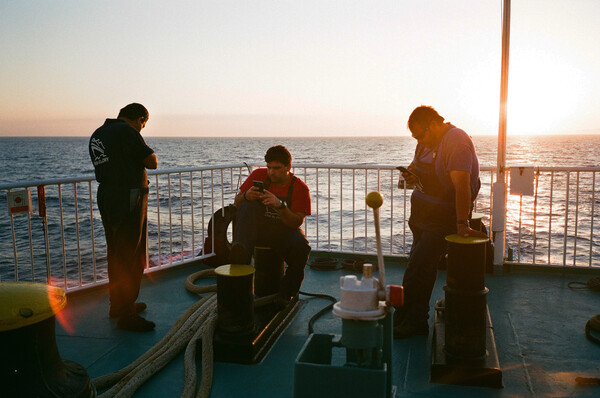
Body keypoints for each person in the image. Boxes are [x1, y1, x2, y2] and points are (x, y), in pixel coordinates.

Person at [395, 105, 487, 339]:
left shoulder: (456, 141)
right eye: (415, 137)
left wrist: (461, 223)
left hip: (443, 216)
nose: (419, 141)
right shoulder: (425, 143)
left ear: (434, 124)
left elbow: (462, 186)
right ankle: (405, 315)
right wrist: (409, 175)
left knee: (419, 266)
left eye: (420, 135)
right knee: (417, 264)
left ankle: (415, 321)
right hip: (421, 214)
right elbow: (417, 169)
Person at [89, 103, 158, 332]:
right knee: (131, 252)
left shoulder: (99, 133)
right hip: (128, 197)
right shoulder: (126, 131)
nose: (142, 129)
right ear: (140, 119)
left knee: (116, 251)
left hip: (107, 194)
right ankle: (127, 315)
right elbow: (152, 162)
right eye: (143, 125)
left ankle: (117, 305)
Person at [230, 145, 312, 308]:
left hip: (283, 231)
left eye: (276, 168)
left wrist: (280, 205)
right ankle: (240, 254)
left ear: (288, 167)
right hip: (257, 230)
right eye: (269, 167)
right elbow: (236, 203)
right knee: (246, 206)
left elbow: (296, 222)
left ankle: (286, 294)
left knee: (302, 248)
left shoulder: (300, 188)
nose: (271, 172)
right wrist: (246, 196)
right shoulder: (258, 175)